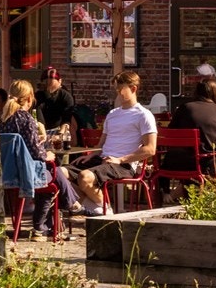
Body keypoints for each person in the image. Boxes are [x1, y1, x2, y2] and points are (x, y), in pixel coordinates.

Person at [67, 70, 157, 216]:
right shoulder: (112, 114)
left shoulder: (144, 115)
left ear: (133, 89)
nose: (117, 93)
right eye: (116, 89)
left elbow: (150, 149)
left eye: (120, 89)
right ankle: (97, 206)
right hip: (103, 158)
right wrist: (91, 155)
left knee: (84, 177)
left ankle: (103, 209)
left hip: (123, 164)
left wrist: (120, 159)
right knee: (59, 173)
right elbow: (102, 145)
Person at [0, 79, 80, 237]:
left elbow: (21, 147)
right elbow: (36, 153)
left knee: (53, 173)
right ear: (30, 98)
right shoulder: (26, 119)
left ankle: (45, 225)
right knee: (52, 174)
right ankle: (67, 208)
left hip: (7, 172)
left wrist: (38, 142)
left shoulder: (3, 121)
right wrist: (47, 154)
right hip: (25, 173)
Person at [165, 76, 216, 186]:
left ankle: (166, 191)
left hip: (185, 162)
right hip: (213, 163)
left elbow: (171, 133)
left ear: (196, 91)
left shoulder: (185, 108)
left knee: (171, 154)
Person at [35, 67, 74, 137]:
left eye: (51, 84)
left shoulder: (66, 96)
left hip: (59, 129)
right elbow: (39, 118)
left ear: (60, 81)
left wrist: (60, 135)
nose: (48, 87)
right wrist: (43, 134)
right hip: (41, 130)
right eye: (46, 84)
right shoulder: (38, 96)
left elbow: (66, 120)